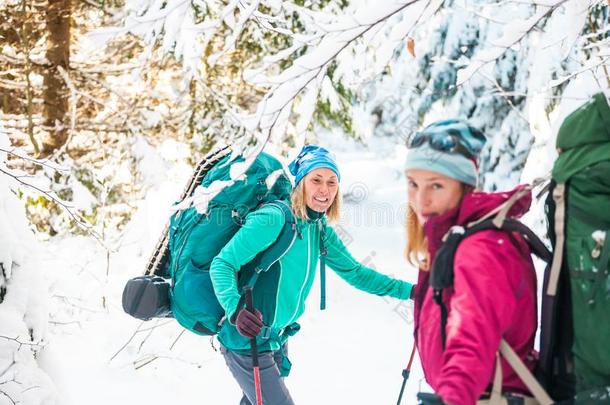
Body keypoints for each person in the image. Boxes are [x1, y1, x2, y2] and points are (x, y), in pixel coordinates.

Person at [210, 144, 414, 405]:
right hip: (247, 338)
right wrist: (235, 309)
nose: (324, 189)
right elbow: (223, 264)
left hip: (275, 339)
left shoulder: (318, 228)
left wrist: (410, 291)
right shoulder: (273, 219)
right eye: (316, 180)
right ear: (301, 183)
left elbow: (356, 273)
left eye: (332, 182)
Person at [404, 119, 539, 405]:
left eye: (436, 185)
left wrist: (453, 398)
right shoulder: (454, 236)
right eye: (413, 184)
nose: (421, 200)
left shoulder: (481, 248)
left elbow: (471, 340)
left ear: (464, 186)